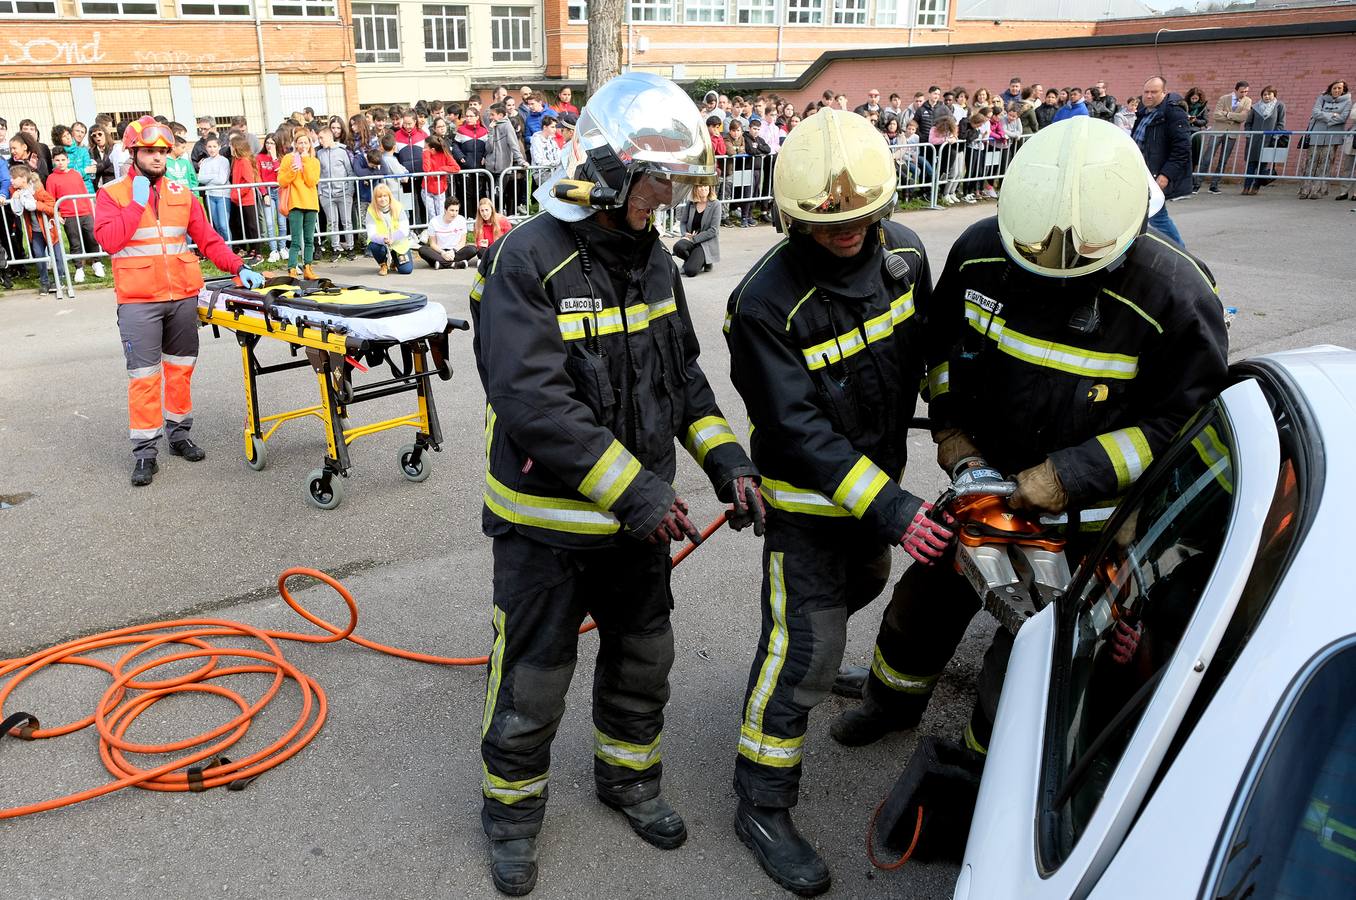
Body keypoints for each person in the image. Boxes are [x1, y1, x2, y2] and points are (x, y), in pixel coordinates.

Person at [831, 119, 1228, 796]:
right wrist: (955, 439)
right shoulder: (983, 253)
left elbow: (1182, 427)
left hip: (1089, 522)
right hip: (984, 489)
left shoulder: (1177, 296)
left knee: (1028, 656)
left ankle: (985, 765)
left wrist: (1066, 478)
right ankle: (888, 703)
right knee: (918, 609)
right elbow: (945, 354)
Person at [470, 72, 760, 897]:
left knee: (643, 659)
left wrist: (727, 463)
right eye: (655, 180)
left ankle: (628, 780)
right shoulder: (525, 259)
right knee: (532, 675)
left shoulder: (654, 260)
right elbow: (535, 404)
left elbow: (685, 380)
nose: (666, 197)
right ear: (606, 172)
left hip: (637, 527)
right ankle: (512, 815)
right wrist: (638, 493)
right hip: (546, 526)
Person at [721, 109, 941, 898]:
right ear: (792, 216)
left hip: (876, 497)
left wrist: (956, 443)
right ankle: (761, 802)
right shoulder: (764, 305)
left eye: (858, 220)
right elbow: (802, 433)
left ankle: (807, 659)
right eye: (825, 223)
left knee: (863, 588)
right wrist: (897, 509)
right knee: (801, 653)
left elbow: (931, 358)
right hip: (810, 506)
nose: (846, 233)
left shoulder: (907, 255)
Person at [93, 116, 262, 486]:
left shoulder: (181, 193)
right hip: (139, 301)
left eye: (163, 151)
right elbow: (110, 242)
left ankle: (180, 434)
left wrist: (238, 266)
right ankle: (145, 452)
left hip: (182, 297)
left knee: (181, 369)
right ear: (134, 153)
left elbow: (209, 240)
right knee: (144, 377)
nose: (158, 157)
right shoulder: (112, 195)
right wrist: (135, 205)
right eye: (150, 151)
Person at [1133, 76, 1193, 248]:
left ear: (1164, 93)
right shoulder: (1144, 111)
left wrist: (1166, 175)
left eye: (1154, 92)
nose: (1149, 95)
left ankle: (1181, 253)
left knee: (1157, 216)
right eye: (1146, 92)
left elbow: (1182, 148)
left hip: (1156, 175)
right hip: (1141, 173)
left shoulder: (1174, 113)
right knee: (1141, 214)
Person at [5, 162, 65, 295]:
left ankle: (59, 278)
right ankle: (44, 282)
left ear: (23, 179)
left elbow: (53, 207)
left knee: (57, 255)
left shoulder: (39, 191)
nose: (11, 180)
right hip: (35, 231)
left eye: (14, 178)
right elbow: (17, 208)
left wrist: (37, 205)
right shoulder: (16, 191)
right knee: (38, 255)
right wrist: (15, 197)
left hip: (50, 229)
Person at [47, 145, 104, 283]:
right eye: (57, 160)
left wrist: (91, 210)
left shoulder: (75, 174)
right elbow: (51, 198)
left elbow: (84, 192)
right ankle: (79, 268)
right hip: (69, 215)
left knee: (92, 238)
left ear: (67, 160)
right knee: (75, 242)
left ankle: (96, 263)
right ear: (54, 161)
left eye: (63, 159)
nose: (60, 162)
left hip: (85, 212)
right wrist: (57, 214)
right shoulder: (51, 178)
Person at [278, 128, 321, 278]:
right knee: (296, 239)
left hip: (311, 203)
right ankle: (292, 269)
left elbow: (312, 181)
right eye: (300, 142)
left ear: (310, 144)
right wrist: (293, 171)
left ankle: (308, 267)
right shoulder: (288, 159)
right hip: (295, 202)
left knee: (309, 239)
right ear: (295, 144)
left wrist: (305, 162)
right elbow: (281, 181)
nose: (303, 145)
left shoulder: (314, 161)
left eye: (306, 142)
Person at [1298, 80, 1351, 200]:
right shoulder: (1322, 98)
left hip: (1333, 137)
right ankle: (1304, 190)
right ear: (1330, 88)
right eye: (1334, 88)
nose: (1336, 90)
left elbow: (1343, 118)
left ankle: (1318, 191)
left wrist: (1325, 116)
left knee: (1325, 163)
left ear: (1343, 90)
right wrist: (1333, 115)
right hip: (1316, 133)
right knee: (1310, 162)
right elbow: (1315, 113)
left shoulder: (1347, 101)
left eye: (1339, 88)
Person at [315, 125, 356, 261]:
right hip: (327, 194)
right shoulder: (320, 154)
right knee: (332, 222)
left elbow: (350, 172)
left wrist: (349, 190)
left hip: (343, 192)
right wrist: (321, 193)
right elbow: (319, 175)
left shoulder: (342, 151)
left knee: (346, 221)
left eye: (322, 138)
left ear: (329, 136)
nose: (320, 141)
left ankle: (350, 247)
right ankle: (335, 247)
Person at [1207, 81, 1252, 193]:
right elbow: (1216, 115)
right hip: (1218, 131)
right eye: (1242, 91)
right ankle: (1196, 184)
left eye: (1246, 91)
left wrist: (1227, 114)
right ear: (1236, 90)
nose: (1244, 93)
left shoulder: (1248, 101)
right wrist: (1234, 117)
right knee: (1207, 157)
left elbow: (1243, 118)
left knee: (1223, 160)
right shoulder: (1224, 98)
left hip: (1232, 134)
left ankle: (1214, 185)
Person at [1242, 86, 1286, 195]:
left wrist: (1276, 136)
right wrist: (1249, 134)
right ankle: (1246, 187)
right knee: (1251, 164)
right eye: (1264, 94)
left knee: (1263, 165)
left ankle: (1256, 187)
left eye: (1269, 94)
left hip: (1269, 140)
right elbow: (1248, 123)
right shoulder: (1255, 107)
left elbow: (1281, 123)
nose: (1267, 96)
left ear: (1274, 95)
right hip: (1254, 140)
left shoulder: (1279, 106)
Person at [364, 183, 414, 275]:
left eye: (385, 196)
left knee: (406, 270)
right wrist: (384, 239)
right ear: (375, 198)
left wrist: (393, 238)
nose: (383, 199)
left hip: (398, 242)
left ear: (389, 196)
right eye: (379, 197)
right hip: (381, 242)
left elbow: (405, 229)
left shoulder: (398, 207)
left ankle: (395, 261)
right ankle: (383, 264)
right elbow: (371, 233)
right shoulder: (371, 210)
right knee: (374, 245)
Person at [671, 182, 719, 277]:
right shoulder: (691, 203)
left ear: (710, 188)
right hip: (691, 238)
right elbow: (683, 222)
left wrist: (694, 239)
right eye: (700, 186)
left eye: (706, 186)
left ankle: (705, 261)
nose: (704, 188)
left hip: (704, 242)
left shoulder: (715, 204)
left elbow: (713, 230)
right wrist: (685, 234)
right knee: (678, 247)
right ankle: (693, 260)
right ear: (695, 189)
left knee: (690, 271)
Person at [227, 135, 262, 259]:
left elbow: (248, 182)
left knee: (252, 226)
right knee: (242, 225)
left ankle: (257, 252)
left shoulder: (244, 161)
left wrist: (237, 194)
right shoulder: (236, 161)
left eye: (231, 145)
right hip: (238, 199)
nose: (229, 147)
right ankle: (251, 248)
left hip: (246, 199)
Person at [418, 196, 477, 269]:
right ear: (445, 210)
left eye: (456, 211)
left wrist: (453, 251)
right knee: (422, 250)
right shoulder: (434, 221)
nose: (454, 213)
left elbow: (462, 242)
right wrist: (443, 253)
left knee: (473, 249)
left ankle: (441, 264)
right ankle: (454, 264)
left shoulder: (461, 220)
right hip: (439, 251)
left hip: (455, 251)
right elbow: (432, 244)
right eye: (452, 210)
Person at [256, 134, 286, 263]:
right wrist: (264, 194)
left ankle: (283, 248)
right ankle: (273, 250)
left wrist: (274, 158)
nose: (269, 145)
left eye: (272, 143)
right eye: (267, 143)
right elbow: (258, 177)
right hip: (267, 191)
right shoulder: (259, 157)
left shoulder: (282, 158)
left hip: (280, 191)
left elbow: (281, 174)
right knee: (269, 222)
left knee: (282, 222)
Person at [197, 134, 232, 242]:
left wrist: (209, 178)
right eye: (209, 147)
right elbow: (200, 178)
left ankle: (229, 249)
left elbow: (222, 180)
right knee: (216, 225)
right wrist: (214, 176)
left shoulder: (224, 161)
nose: (212, 149)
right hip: (210, 195)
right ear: (206, 148)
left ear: (219, 147)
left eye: (214, 146)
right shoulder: (205, 162)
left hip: (222, 196)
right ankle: (221, 248)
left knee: (223, 225)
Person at [419, 133, 461, 222]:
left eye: (425, 147)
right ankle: (433, 233)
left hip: (440, 190)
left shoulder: (444, 154)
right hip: (427, 190)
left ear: (432, 149)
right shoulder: (426, 154)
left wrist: (441, 170)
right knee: (432, 215)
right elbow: (426, 170)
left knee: (441, 214)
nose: (424, 149)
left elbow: (456, 168)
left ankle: (442, 232)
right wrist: (426, 154)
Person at [1183, 86, 1209, 193]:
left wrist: (1195, 121)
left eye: (1196, 99)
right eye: (1192, 98)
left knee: (1194, 158)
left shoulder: (1203, 107)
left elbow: (1205, 121)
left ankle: (1192, 181)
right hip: (1185, 131)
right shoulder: (1184, 106)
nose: (1194, 100)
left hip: (1196, 132)